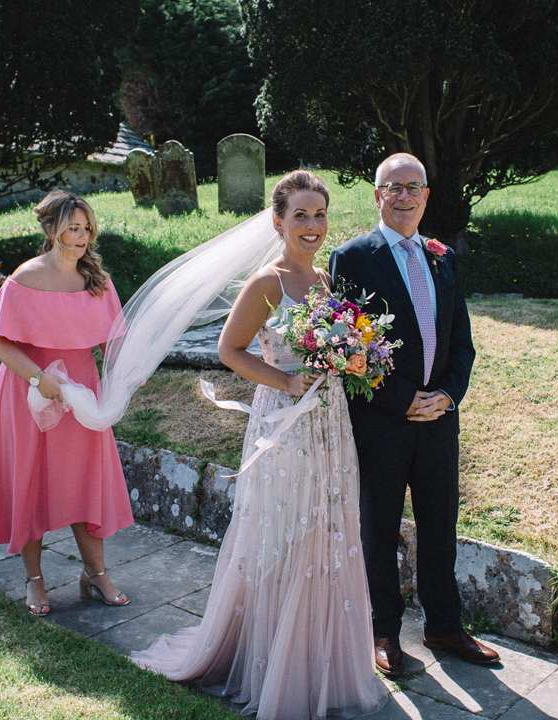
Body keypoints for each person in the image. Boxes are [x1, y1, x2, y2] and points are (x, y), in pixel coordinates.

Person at [132, 171, 387, 720]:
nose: (312, 225)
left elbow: (338, 346)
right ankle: (271, 660)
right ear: (278, 222)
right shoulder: (266, 283)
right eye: (300, 215)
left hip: (329, 421)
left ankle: (321, 659)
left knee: (326, 528)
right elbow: (230, 350)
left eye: (319, 214)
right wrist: (287, 381)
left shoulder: (325, 281)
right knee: (284, 532)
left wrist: (356, 361)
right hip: (285, 421)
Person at [329, 153, 497, 677]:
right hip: (384, 421)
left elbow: (461, 343)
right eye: (392, 187)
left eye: (413, 187)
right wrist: (403, 398)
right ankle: (384, 631)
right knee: (378, 527)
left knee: (440, 523)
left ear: (426, 194)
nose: (404, 196)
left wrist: (446, 395)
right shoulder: (353, 257)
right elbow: (343, 348)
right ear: (377, 195)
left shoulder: (442, 256)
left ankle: (444, 625)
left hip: (440, 420)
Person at [0, 191, 133, 617]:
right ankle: (34, 579)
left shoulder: (96, 280)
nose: (82, 237)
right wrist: (38, 377)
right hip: (31, 392)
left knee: (85, 479)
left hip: (81, 391)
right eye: (72, 228)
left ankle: (95, 574)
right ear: (50, 230)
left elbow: (113, 341)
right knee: (31, 480)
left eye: (87, 228)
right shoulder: (25, 278)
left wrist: (126, 377)